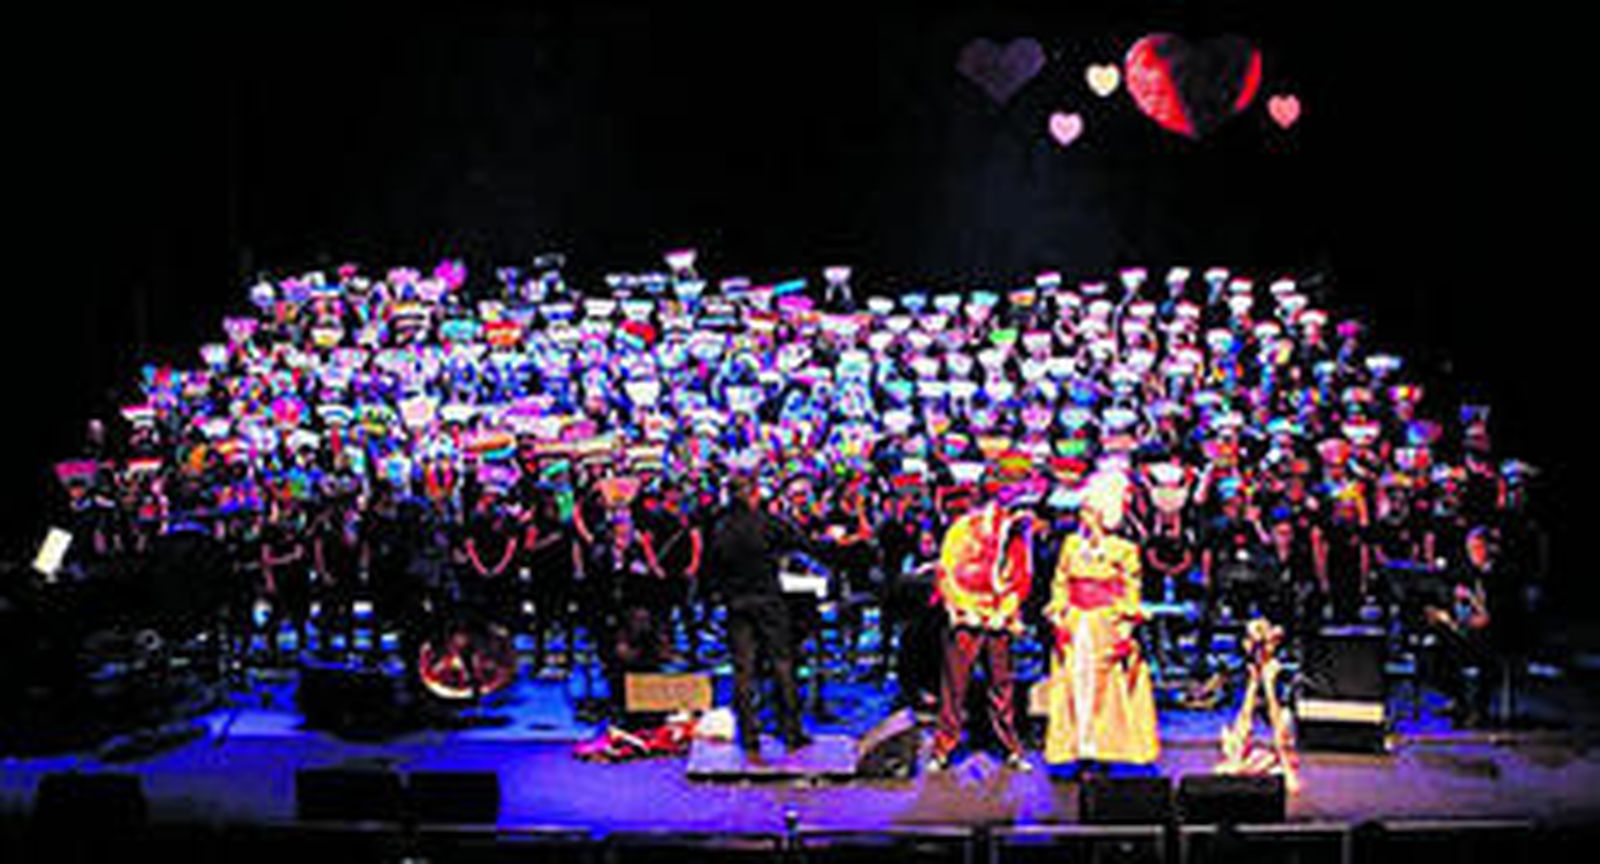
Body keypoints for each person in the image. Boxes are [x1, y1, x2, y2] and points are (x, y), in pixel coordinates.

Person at [1043, 471, 1159, 769]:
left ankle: (1104, 748)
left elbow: (1131, 591)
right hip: (1076, 621)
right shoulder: (1071, 545)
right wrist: (1059, 615)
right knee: (1074, 685)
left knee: (1104, 687)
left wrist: (1124, 629)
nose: (1084, 516)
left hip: (1105, 623)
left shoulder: (1123, 550)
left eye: (1089, 511)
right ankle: (1078, 747)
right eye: (1083, 511)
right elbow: (1060, 583)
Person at [926, 484, 1034, 773]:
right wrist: (964, 607)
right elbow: (947, 570)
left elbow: (1020, 576)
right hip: (967, 613)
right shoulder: (962, 530)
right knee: (955, 685)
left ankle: (1010, 747)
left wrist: (1005, 610)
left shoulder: (1014, 535)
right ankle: (943, 748)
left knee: (1002, 685)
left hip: (998, 615)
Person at [705, 472, 812, 759]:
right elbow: (800, 541)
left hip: (736, 603)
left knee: (744, 671)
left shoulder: (720, 526)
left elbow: (711, 567)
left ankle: (750, 737)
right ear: (753, 494)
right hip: (768, 600)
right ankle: (791, 733)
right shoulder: (766, 521)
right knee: (781, 664)